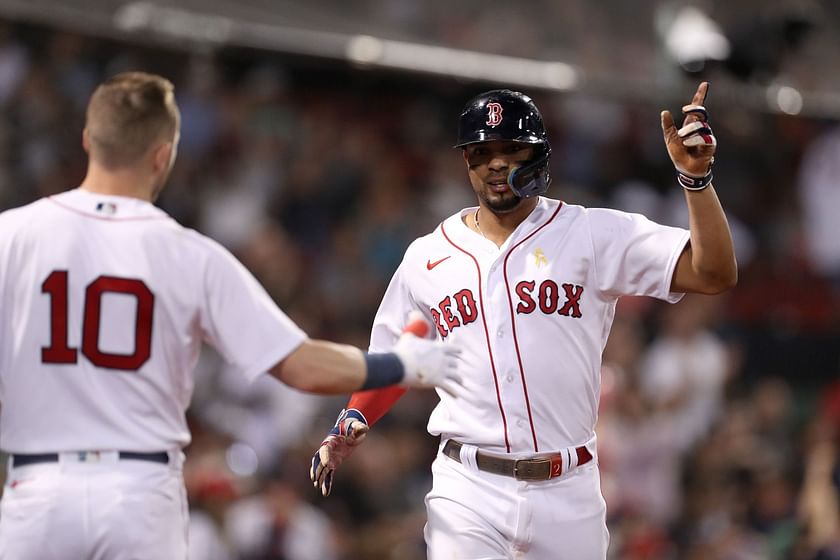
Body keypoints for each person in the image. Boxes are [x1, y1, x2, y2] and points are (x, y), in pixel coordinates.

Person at [0, 71, 463, 560]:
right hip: (136, 495)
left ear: (89, 139)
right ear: (165, 152)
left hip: (38, 486)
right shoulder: (190, 254)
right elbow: (300, 366)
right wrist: (402, 366)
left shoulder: (12, 235)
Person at [310, 82, 737, 559]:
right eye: (481, 151)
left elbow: (713, 271)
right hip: (467, 486)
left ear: (538, 156)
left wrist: (695, 181)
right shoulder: (427, 256)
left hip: (568, 488)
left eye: (511, 149)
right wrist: (353, 417)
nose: (495, 163)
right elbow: (396, 356)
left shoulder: (591, 233)